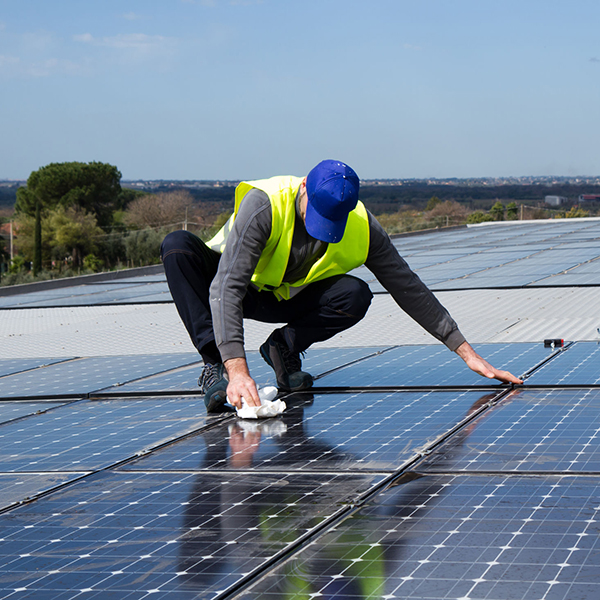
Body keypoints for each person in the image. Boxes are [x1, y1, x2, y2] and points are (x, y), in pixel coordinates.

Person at [161, 159, 522, 413]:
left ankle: (283, 348)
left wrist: (466, 352)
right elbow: (227, 286)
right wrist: (236, 369)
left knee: (355, 293)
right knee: (177, 248)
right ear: (304, 186)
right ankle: (214, 367)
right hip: (241, 292)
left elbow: (408, 287)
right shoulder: (264, 205)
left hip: (291, 299)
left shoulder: (362, 224)